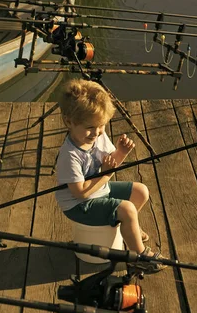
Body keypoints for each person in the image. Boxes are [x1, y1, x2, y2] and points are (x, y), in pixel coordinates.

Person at [55, 79, 163, 272]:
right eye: (90, 127)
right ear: (69, 122)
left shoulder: (96, 133)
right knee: (127, 210)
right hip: (78, 205)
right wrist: (105, 174)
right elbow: (80, 193)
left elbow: (110, 163)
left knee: (141, 191)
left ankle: (132, 230)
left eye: (101, 126)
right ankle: (138, 256)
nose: (96, 133)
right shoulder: (69, 156)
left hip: (99, 190)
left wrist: (121, 152)